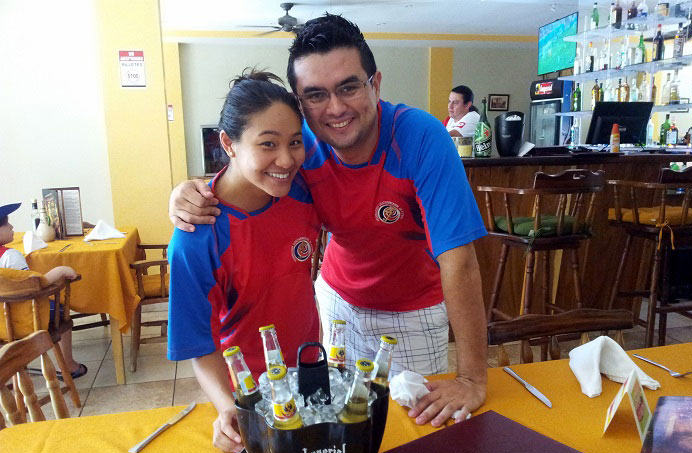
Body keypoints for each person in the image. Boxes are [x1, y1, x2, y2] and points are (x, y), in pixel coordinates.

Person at [169, 15, 488, 429]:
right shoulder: (299, 148)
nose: (335, 109)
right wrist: (187, 193)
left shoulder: (421, 137)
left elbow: (459, 261)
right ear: (301, 105)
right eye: (315, 95)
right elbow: (246, 181)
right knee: (338, 428)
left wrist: (473, 378)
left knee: (414, 435)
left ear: (375, 84)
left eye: (349, 87)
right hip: (335, 306)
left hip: (411, 311)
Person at [167, 70, 320, 453]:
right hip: (251, 390)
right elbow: (200, 345)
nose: (286, 159)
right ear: (228, 144)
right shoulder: (196, 238)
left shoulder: (303, 188)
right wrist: (227, 407)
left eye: (295, 142)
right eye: (267, 144)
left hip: (312, 370)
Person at [0, 202, 86, 380]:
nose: (12, 227)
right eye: (6, 224)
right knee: (60, 310)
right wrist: (61, 271)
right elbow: (33, 286)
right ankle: (68, 365)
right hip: (20, 317)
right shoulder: (10, 256)